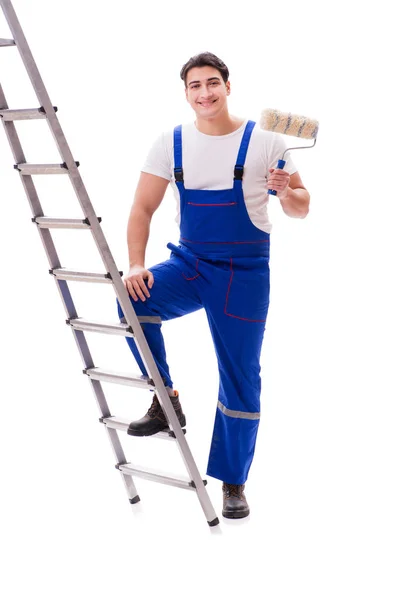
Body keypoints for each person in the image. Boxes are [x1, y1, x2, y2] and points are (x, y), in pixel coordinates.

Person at [117, 52, 310, 519]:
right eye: (194, 86)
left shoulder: (267, 142)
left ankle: (233, 483)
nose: (204, 93)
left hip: (244, 275)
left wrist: (285, 191)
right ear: (185, 92)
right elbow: (142, 209)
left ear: (228, 85)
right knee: (131, 301)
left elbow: (302, 207)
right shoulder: (170, 143)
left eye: (212, 83)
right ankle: (166, 400)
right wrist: (137, 264)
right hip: (190, 264)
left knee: (241, 374)